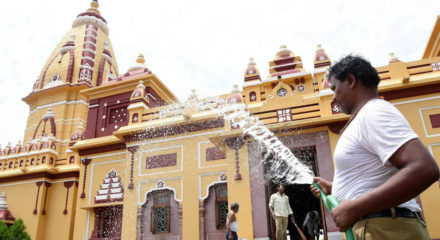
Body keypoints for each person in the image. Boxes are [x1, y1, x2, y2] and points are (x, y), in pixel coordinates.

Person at [310, 55, 439, 240]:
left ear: (351, 81)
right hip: (379, 226)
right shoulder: (365, 116)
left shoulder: (374, 112)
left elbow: (424, 168)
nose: (334, 97)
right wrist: (333, 187)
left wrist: (355, 208)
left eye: (334, 88)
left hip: (386, 228)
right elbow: (375, 177)